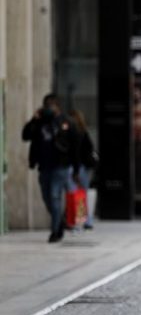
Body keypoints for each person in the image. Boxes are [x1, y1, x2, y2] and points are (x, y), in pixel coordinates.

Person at [22, 93, 80, 243]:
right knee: (47, 198)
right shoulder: (40, 122)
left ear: (57, 106)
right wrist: (34, 119)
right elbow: (25, 136)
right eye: (46, 105)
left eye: (51, 105)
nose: (48, 108)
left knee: (55, 197)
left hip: (61, 166)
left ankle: (55, 231)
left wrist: (76, 169)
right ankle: (59, 222)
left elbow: (75, 147)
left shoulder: (66, 122)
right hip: (44, 166)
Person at [68, 109, 98, 230]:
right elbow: (90, 148)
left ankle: (79, 222)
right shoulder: (84, 133)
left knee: (76, 194)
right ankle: (87, 221)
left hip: (77, 167)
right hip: (83, 168)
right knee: (82, 194)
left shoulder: (74, 134)